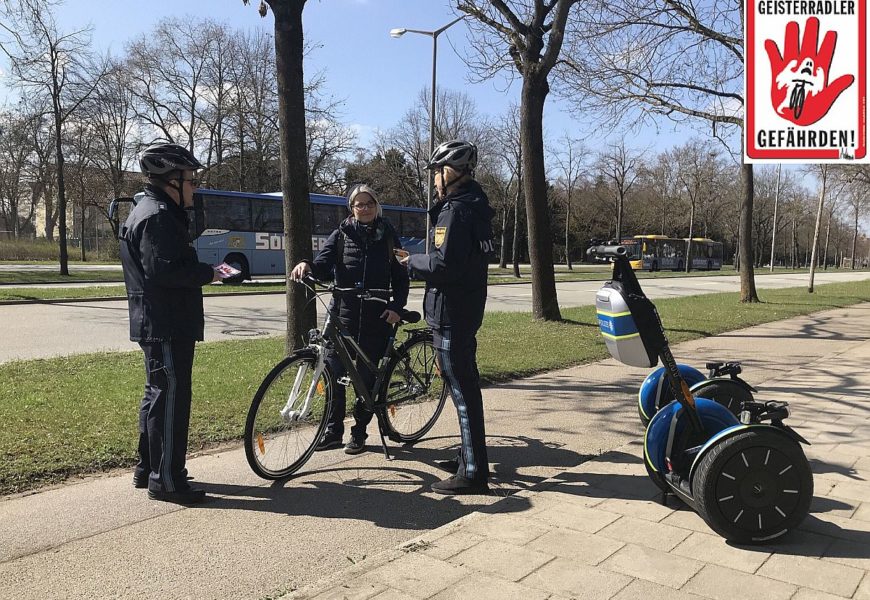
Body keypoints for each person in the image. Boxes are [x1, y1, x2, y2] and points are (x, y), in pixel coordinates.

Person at [119, 142, 220, 505]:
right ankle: (168, 480)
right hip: (167, 322)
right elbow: (164, 270)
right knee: (172, 397)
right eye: (190, 180)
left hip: (158, 320)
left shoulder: (149, 210)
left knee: (156, 394)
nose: (194, 187)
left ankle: (149, 469)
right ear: (171, 180)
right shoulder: (158, 215)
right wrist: (209, 273)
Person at [289, 184, 410, 454]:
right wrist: (306, 264)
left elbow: (401, 277)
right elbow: (323, 264)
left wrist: (397, 307)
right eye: (359, 204)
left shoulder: (389, 236)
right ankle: (333, 432)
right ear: (351, 208)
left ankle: (360, 433)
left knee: (365, 380)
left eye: (369, 203)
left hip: (376, 316)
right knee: (333, 374)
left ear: (376, 206)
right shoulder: (341, 234)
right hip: (342, 314)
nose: (364, 208)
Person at [405, 140, 495, 495]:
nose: (434, 182)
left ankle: (473, 473)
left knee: (462, 390)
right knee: (464, 386)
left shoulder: (456, 211)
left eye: (437, 174)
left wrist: (409, 261)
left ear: (451, 174)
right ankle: (468, 456)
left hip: (452, 312)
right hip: (467, 308)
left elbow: (444, 265)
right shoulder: (478, 205)